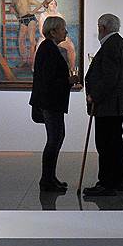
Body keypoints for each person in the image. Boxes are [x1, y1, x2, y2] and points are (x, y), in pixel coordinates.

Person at [83, 13, 123, 196]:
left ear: (102, 28)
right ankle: (117, 182)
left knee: (106, 145)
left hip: (108, 105)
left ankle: (107, 184)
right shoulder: (118, 43)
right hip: (114, 105)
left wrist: (94, 96)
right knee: (114, 144)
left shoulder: (111, 45)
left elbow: (109, 78)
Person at [29, 16, 78, 192]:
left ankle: (50, 178)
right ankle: (46, 180)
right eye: (63, 28)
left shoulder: (49, 48)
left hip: (51, 102)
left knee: (56, 138)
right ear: (53, 32)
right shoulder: (48, 49)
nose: (66, 31)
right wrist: (69, 80)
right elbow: (48, 80)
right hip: (50, 102)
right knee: (54, 139)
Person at [36, 0, 77, 74]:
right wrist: (51, 39)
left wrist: (64, 38)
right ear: (47, 5)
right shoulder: (43, 15)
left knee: (70, 45)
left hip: (58, 37)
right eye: (52, 4)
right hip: (45, 37)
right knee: (40, 49)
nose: (54, 5)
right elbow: (41, 31)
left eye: (55, 4)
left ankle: (72, 69)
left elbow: (63, 29)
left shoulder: (59, 15)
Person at [11, 0, 46, 68]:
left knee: (31, 40)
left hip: (30, 18)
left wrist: (33, 12)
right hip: (22, 20)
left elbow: (39, 4)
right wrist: (14, 12)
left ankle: (33, 61)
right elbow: (12, 7)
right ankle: (24, 60)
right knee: (20, 40)